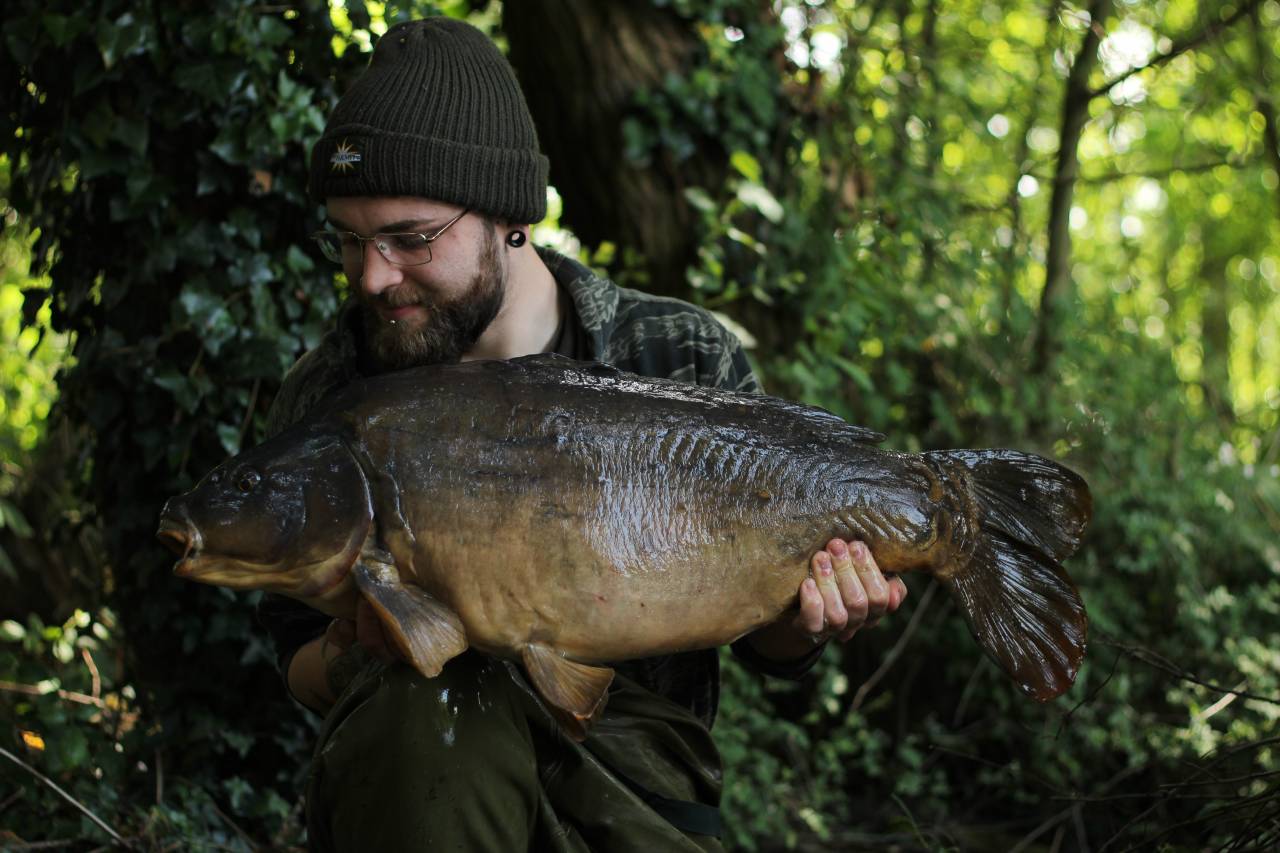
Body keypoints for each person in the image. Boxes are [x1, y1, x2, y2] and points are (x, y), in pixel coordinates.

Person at [257, 16, 907, 852]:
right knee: (434, 700)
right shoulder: (333, 393)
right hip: (418, 793)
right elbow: (292, 660)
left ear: (505, 214)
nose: (375, 276)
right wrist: (355, 648)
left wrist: (812, 617)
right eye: (350, 240)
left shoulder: (678, 358)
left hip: (639, 792)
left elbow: (771, 659)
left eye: (410, 239)